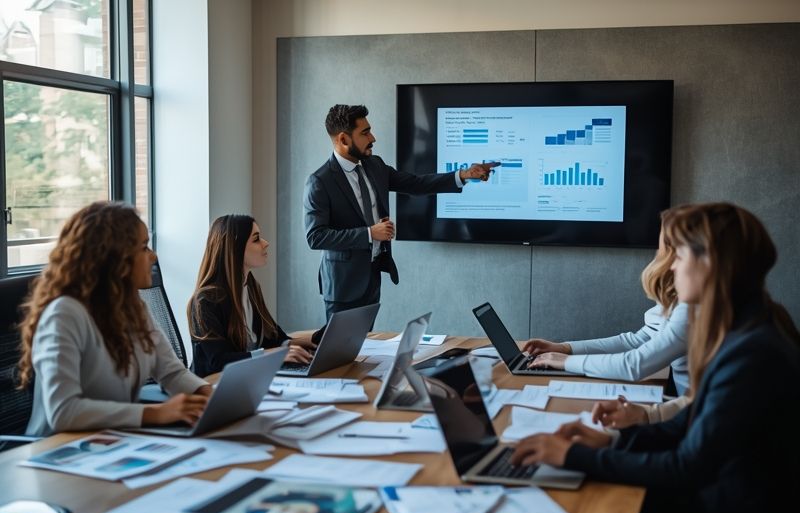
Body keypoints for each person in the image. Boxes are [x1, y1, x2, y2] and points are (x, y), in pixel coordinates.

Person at [511, 202, 800, 513]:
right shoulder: (743, 333)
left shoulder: (751, 354)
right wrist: (615, 441)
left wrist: (573, 456)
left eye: (679, 255)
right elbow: (687, 426)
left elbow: (685, 468)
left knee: (591, 511)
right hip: (737, 498)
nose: (672, 265)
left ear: (709, 263)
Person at [19, 202, 212, 437]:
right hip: (59, 450)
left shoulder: (133, 307)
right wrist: (156, 413)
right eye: (143, 247)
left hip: (112, 441)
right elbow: (63, 412)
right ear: (113, 257)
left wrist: (210, 395)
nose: (153, 256)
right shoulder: (65, 314)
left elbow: (172, 373)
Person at [304, 104, 498, 319]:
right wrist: (369, 233)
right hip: (342, 285)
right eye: (365, 132)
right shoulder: (320, 181)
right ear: (343, 139)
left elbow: (416, 184)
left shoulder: (374, 165)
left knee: (364, 346)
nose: (373, 138)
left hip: (372, 277)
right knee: (340, 352)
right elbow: (316, 237)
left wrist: (463, 175)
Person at [524, 207, 691, 396]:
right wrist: (565, 349)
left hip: (692, 418)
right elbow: (641, 339)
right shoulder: (682, 297)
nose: (664, 260)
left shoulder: (692, 308)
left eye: (666, 250)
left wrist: (564, 361)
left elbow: (634, 365)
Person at [188, 215, 315, 378]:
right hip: (215, 386)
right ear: (235, 247)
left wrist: (296, 344)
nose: (265, 243)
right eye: (256, 239)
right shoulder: (205, 301)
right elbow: (218, 361)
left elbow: (272, 336)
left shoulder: (251, 286)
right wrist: (275, 353)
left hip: (249, 378)